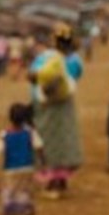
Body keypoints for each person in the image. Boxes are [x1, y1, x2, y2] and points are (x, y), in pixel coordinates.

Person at [27, 23, 83, 200]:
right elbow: (75, 76)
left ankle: (51, 181)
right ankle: (62, 180)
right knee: (64, 141)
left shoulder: (45, 57)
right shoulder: (75, 60)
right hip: (64, 104)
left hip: (44, 105)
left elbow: (32, 77)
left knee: (47, 142)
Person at [0, 103, 45, 215]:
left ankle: (13, 213)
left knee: (10, 191)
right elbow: (39, 147)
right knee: (25, 190)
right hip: (28, 167)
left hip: (11, 169)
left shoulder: (5, 134)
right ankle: (26, 208)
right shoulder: (30, 132)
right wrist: (42, 163)